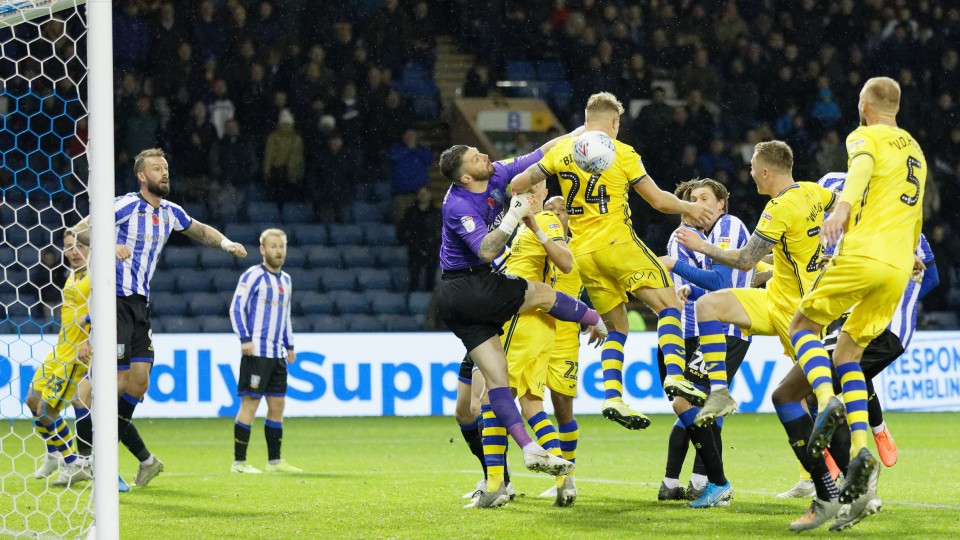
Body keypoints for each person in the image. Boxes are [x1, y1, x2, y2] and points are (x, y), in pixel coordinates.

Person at [510, 92, 715, 431]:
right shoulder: (622, 152)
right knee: (668, 305)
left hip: (583, 255)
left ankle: (614, 396)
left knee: (618, 328)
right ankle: (676, 376)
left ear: (585, 120)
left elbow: (518, 183)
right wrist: (689, 208)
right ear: (616, 123)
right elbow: (659, 202)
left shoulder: (562, 151)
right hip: (618, 243)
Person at [435, 127, 605, 508]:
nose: (485, 157)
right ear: (465, 177)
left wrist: (584, 129)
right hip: (472, 286)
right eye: (476, 158)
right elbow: (483, 250)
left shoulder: (495, 173)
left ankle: (525, 451)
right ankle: (595, 318)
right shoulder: (459, 204)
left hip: (456, 302)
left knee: (496, 383)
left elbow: (541, 152)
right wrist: (514, 216)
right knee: (542, 294)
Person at [674, 141, 839, 519]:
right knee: (708, 306)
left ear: (766, 171)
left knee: (810, 398)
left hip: (800, 313)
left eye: (752, 167)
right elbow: (837, 213)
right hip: (774, 299)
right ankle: (719, 393)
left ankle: (843, 477)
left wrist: (701, 246)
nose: (748, 173)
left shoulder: (775, 208)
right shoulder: (814, 191)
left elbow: (744, 260)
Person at [786, 77, 927, 513]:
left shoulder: (866, 135)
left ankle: (827, 402)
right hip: (899, 266)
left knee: (802, 325)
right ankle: (862, 448)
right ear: (897, 106)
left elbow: (860, 169)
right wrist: (909, 256)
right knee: (849, 352)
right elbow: (914, 209)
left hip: (865, 253)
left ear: (864, 104)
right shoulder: (916, 151)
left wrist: (842, 210)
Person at [78, 148, 248, 488]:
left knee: (140, 382)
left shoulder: (170, 212)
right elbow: (81, 230)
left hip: (140, 304)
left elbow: (200, 230)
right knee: (116, 381)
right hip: (114, 301)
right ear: (142, 176)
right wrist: (108, 245)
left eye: (166, 167)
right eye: (157, 168)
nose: (164, 173)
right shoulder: (124, 205)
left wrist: (227, 244)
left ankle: (112, 454)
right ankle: (96, 456)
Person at [475, 182, 597, 509]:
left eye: (530, 187)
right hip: (542, 325)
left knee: (491, 399)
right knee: (531, 403)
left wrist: (538, 227)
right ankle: (562, 477)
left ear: (539, 192)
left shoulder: (545, 219)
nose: (523, 194)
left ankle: (496, 485)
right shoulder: (520, 223)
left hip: (523, 319)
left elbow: (566, 262)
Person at [535, 195, 595, 506]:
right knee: (520, 405)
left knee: (562, 409)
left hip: (565, 336)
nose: (557, 214)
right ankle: (497, 477)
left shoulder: (582, 249)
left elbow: (600, 286)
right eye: (550, 210)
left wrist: (595, 318)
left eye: (563, 210)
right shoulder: (533, 243)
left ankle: (566, 476)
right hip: (532, 332)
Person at [26, 227, 93, 487]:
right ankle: (53, 455)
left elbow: (109, 309)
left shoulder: (98, 275)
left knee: (48, 411)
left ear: (91, 247)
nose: (73, 251)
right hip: (60, 348)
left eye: (78, 245)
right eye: (67, 246)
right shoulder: (71, 276)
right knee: (33, 400)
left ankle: (72, 461)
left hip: (76, 355)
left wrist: (90, 338)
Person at [229, 229, 300, 474]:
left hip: (277, 354)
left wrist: (289, 345)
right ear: (262, 249)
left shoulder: (287, 280)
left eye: (281, 246)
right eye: (273, 246)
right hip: (256, 352)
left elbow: (285, 317)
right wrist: (245, 338)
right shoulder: (253, 276)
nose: (278, 251)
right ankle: (239, 462)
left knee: (278, 405)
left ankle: (275, 461)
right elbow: (236, 308)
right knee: (250, 404)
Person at [398, 186, 441, 291]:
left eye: (425, 193)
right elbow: (402, 230)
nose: (423, 195)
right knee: (414, 279)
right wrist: (407, 242)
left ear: (430, 195)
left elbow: (444, 231)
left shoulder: (437, 213)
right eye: (421, 193)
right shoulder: (410, 212)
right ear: (417, 195)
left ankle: (429, 304)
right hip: (414, 250)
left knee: (430, 280)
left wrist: (436, 244)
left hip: (432, 250)